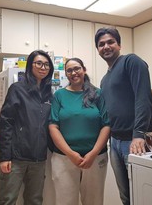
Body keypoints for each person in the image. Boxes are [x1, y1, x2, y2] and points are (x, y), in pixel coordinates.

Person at [95, 27, 152, 205]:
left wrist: (138, 135)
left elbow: (143, 98)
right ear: (98, 50)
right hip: (114, 142)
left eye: (110, 42)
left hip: (136, 141)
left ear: (119, 44)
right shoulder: (104, 80)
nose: (106, 46)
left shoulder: (131, 61)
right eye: (101, 44)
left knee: (142, 195)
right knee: (126, 197)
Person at [49, 57, 110, 205]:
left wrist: (93, 153)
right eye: (69, 70)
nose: (73, 72)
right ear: (66, 74)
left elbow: (106, 125)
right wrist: (71, 154)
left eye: (77, 68)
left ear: (84, 69)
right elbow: (53, 126)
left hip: (95, 158)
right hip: (64, 158)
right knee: (65, 201)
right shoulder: (59, 95)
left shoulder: (98, 94)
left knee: (94, 201)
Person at [0, 49, 54, 205]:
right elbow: (6, 122)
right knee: (7, 200)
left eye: (47, 65)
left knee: (35, 201)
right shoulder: (17, 89)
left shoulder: (49, 94)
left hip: (39, 158)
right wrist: (4, 157)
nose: (43, 67)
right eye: (39, 63)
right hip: (15, 158)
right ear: (30, 66)